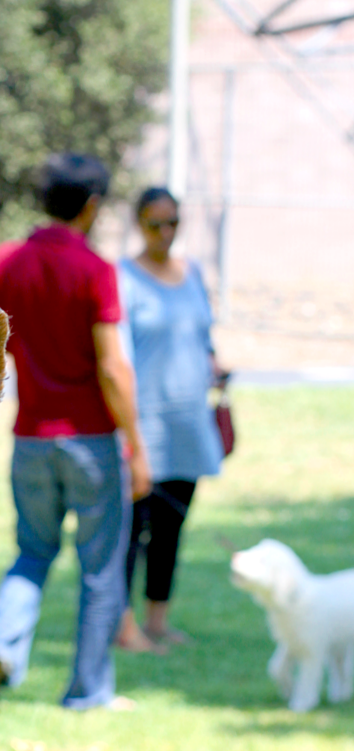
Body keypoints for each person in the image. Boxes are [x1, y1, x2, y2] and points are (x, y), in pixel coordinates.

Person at [0, 152, 151, 712]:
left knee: (33, 552)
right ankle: (89, 691)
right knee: (100, 570)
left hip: (31, 439)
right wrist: (138, 449)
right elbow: (112, 367)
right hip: (93, 441)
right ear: (92, 205)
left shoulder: (6, 261)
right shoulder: (96, 270)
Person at [114, 186, 224, 651]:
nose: (165, 233)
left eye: (173, 222)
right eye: (155, 223)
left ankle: (159, 621)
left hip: (188, 426)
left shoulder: (193, 272)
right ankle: (125, 628)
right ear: (139, 224)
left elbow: (203, 336)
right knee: (132, 532)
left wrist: (215, 366)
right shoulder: (123, 277)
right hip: (145, 426)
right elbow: (117, 354)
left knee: (172, 530)